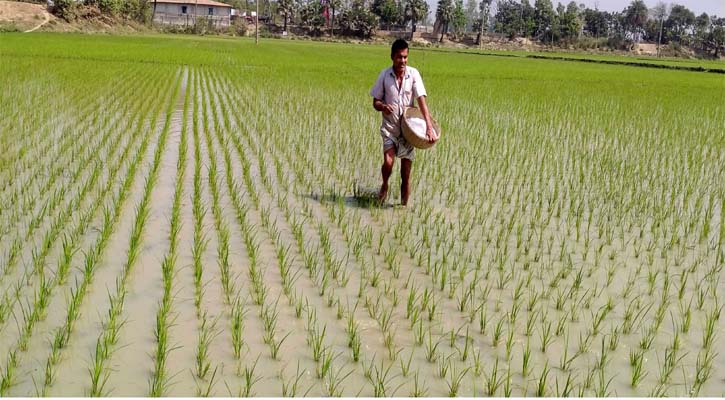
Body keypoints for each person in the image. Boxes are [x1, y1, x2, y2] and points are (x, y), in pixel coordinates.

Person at [370, 39, 437, 206]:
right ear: (392, 57)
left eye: (405, 57)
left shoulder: (413, 74)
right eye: (400, 57)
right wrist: (383, 107)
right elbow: (375, 101)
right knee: (388, 162)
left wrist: (429, 127)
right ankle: (385, 185)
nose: (403, 61)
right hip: (390, 129)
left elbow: (421, 101)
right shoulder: (384, 75)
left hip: (408, 131)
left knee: (406, 174)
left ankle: (404, 207)